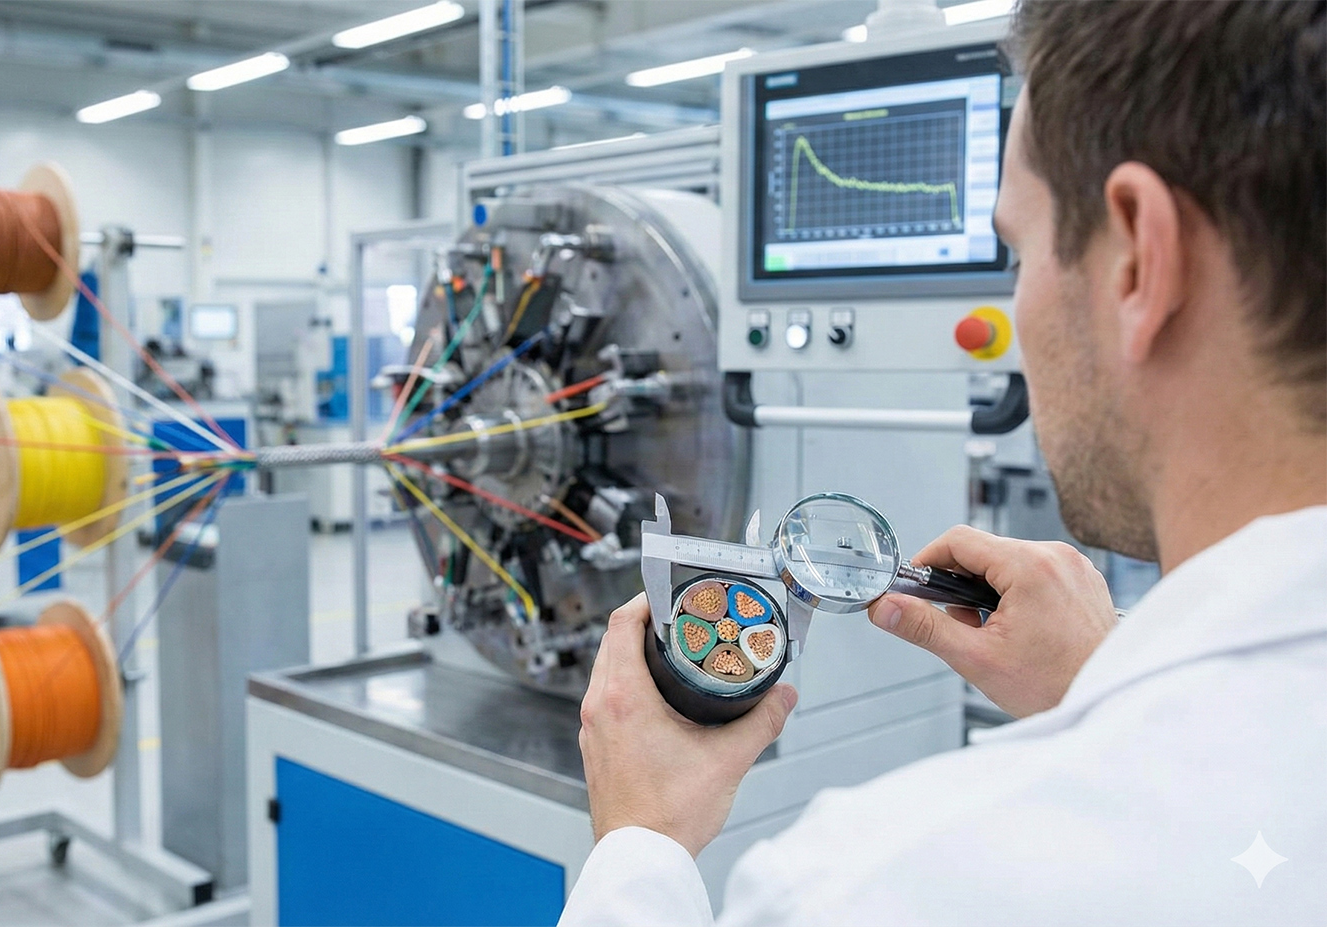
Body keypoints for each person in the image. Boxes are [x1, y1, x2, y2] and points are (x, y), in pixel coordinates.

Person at [562, 2, 1325, 924]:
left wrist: (639, 844)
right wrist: (1113, 680)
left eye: (1018, 248)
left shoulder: (877, 883)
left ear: (1135, 259)